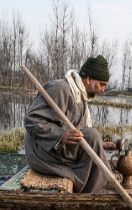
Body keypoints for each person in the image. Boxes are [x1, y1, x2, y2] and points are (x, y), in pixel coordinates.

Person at [24, 55, 116, 194]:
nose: (103, 89)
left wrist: (99, 145)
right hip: (42, 155)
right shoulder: (60, 89)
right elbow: (31, 120)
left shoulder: (81, 96)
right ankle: (97, 192)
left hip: (58, 151)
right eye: (101, 84)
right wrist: (61, 136)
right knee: (93, 135)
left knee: (93, 137)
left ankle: (98, 187)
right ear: (89, 79)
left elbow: (78, 131)